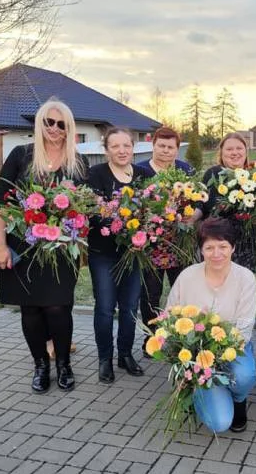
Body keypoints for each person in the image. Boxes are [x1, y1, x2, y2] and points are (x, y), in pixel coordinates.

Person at [0, 98, 89, 393]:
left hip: (61, 249)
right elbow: (0, 204)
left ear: (69, 128)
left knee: (59, 307)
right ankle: (40, 366)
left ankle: (63, 365)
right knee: (31, 310)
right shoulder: (21, 155)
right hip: (23, 246)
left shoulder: (77, 162)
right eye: (49, 122)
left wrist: (81, 248)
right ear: (40, 124)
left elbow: (85, 210)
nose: (55, 129)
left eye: (62, 124)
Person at [166, 218, 256, 433]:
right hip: (195, 355)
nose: (217, 253)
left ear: (233, 247)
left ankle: (238, 399)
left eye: (223, 246)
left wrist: (219, 354)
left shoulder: (245, 278)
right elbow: (169, 316)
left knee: (244, 375)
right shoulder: (187, 276)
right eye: (209, 247)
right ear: (201, 250)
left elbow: (244, 328)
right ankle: (195, 389)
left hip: (234, 349)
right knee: (220, 423)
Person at [88, 128, 154, 383]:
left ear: (133, 147)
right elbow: (94, 211)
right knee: (105, 308)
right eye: (115, 146)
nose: (122, 150)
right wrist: (118, 215)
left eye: (126, 145)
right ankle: (105, 358)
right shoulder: (95, 174)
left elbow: (152, 210)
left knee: (129, 308)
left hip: (134, 253)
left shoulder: (143, 175)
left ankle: (125, 354)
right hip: (103, 253)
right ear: (106, 150)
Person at [135, 126, 194, 355]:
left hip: (179, 243)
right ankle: (152, 340)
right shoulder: (140, 171)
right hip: (151, 244)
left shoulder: (185, 170)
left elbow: (196, 202)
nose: (166, 151)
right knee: (151, 293)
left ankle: (183, 338)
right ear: (153, 145)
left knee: (182, 291)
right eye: (162, 146)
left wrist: (192, 216)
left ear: (177, 150)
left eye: (171, 147)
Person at [197, 132, 256, 272]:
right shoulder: (213, 174)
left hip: (245, 241)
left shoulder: (254, 177)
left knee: (242, 282)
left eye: (239, 148)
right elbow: (201, 203)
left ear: (245, 151)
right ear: (221, 153)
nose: (235, 153)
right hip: (217, 240)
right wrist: (190, 217)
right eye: (229, 149)